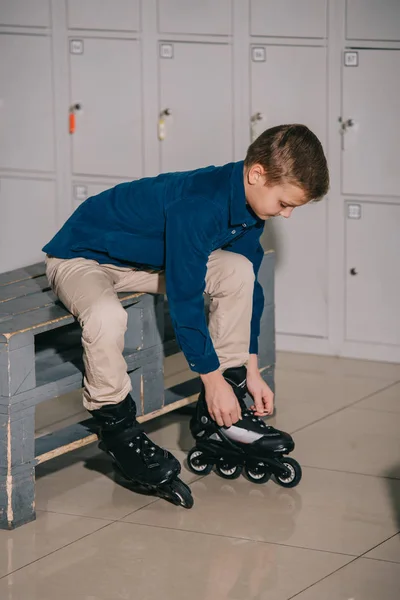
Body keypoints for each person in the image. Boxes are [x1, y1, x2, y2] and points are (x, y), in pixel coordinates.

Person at [43, 124, 329, 506]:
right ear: (257, 174)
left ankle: (221, 415)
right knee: (106, 315)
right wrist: (210, 382)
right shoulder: (202, 205)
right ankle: (118, 431)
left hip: (142, 263)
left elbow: (250, 290)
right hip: (83, 257)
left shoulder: (248, 207)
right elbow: (184, 295)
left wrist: (251, 369)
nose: (288, 214)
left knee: (240, 272)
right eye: (285, 203)